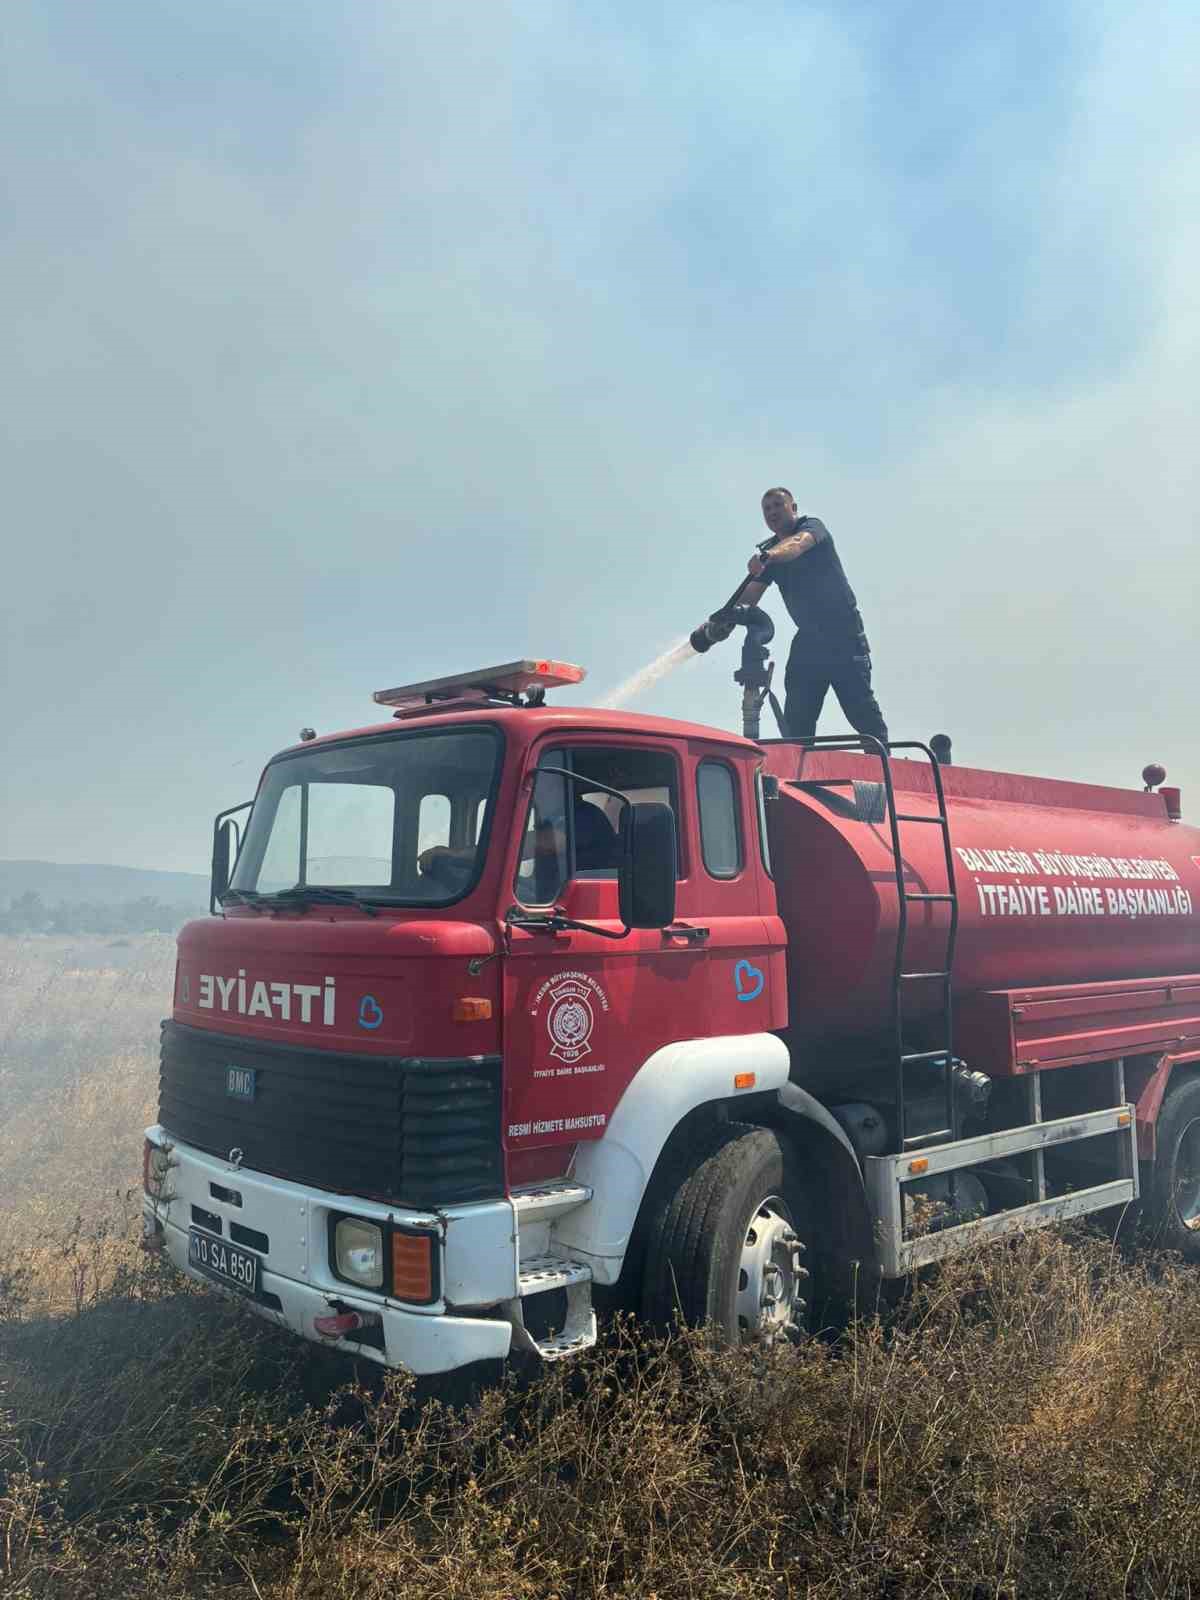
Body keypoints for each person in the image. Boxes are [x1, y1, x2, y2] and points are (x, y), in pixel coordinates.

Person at [736, 486, 888, 744]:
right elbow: (747, 599)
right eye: (767, 509)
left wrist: (768, 556)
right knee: (796, 723)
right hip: (808, 641)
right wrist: (721, 620)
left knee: (863, 716)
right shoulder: (771, 554)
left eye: (778, 505)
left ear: (793, 508)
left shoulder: (812, 528)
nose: (772, 512)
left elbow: (797, 544)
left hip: (844, 636)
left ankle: (887, 777)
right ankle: (800, 778)